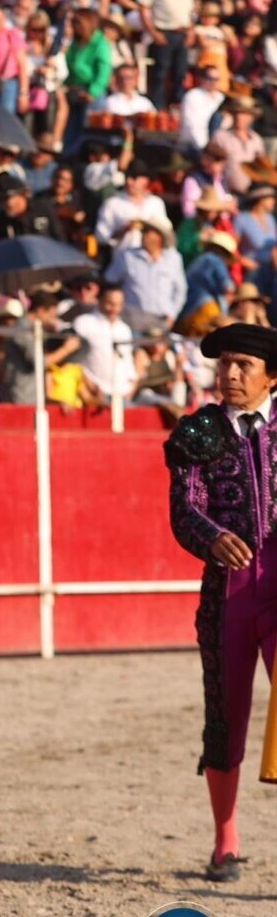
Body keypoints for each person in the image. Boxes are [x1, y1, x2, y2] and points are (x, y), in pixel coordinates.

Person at [164, 322, 277, 882]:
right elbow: (184, 509)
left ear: (271, 377)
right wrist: (211, 535)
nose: (230, 375)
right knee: (225, 714)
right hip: (226, 592)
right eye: (224, 364)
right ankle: (225, 842)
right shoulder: (198, 433)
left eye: (244, 366)